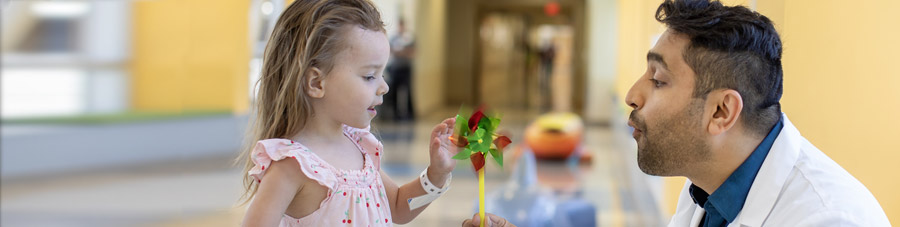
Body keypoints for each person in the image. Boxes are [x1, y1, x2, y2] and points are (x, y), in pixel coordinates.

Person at [464, 0, 890, 226]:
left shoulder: (829, 219)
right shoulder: (709, 186)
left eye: (658, 79)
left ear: (722, 111)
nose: (632, 94)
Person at [236, 0, 458, 226]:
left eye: (382, 74)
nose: (384, 87)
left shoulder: (359, 147)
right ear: (316, 82)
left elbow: (399, 207)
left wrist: (436, 175)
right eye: (370, 76)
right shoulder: (293, 165)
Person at [385, 18, 415, 121]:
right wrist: (402, 52)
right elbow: (391, 51)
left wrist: (402, 52)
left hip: (406, 68)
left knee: (408, 91)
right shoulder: (394, 38)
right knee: (395, 92)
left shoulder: (409, 37)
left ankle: (410, 114)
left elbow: (412, 52)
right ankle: (396, 114)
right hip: (395, 69)